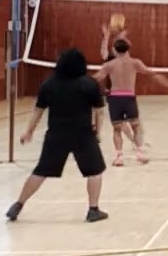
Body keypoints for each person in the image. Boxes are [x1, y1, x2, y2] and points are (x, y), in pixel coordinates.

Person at [7, 48, 109, 223]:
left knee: (41, 171)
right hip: (83, 134)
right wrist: (97, 133)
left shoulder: (49, 84)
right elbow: (98, 112)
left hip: (56, 134)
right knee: (95, 171)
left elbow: (38, 111)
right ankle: (93, 209)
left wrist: (29, 131)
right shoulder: (89, 84)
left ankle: (18, 204)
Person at [95, 38, 168, 166]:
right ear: (128, 50)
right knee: (136, 126)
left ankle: (119, 157)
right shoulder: (135, 62)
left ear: (114, 50)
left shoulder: (109, 65)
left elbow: (97, 77)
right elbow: (151, 74)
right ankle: (139, 154)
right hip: (129, 98)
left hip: (115, 99)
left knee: (117, 129)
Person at [100, 23, 138, 150]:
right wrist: (106, 36)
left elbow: (126, 47)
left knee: (129, 123)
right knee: (121, 124)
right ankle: (135, 142)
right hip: (113, 93)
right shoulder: (109, 60)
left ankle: (136, 142)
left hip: (124, 93)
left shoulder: (125, 59)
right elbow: (104, 49)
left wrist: (121, 36)